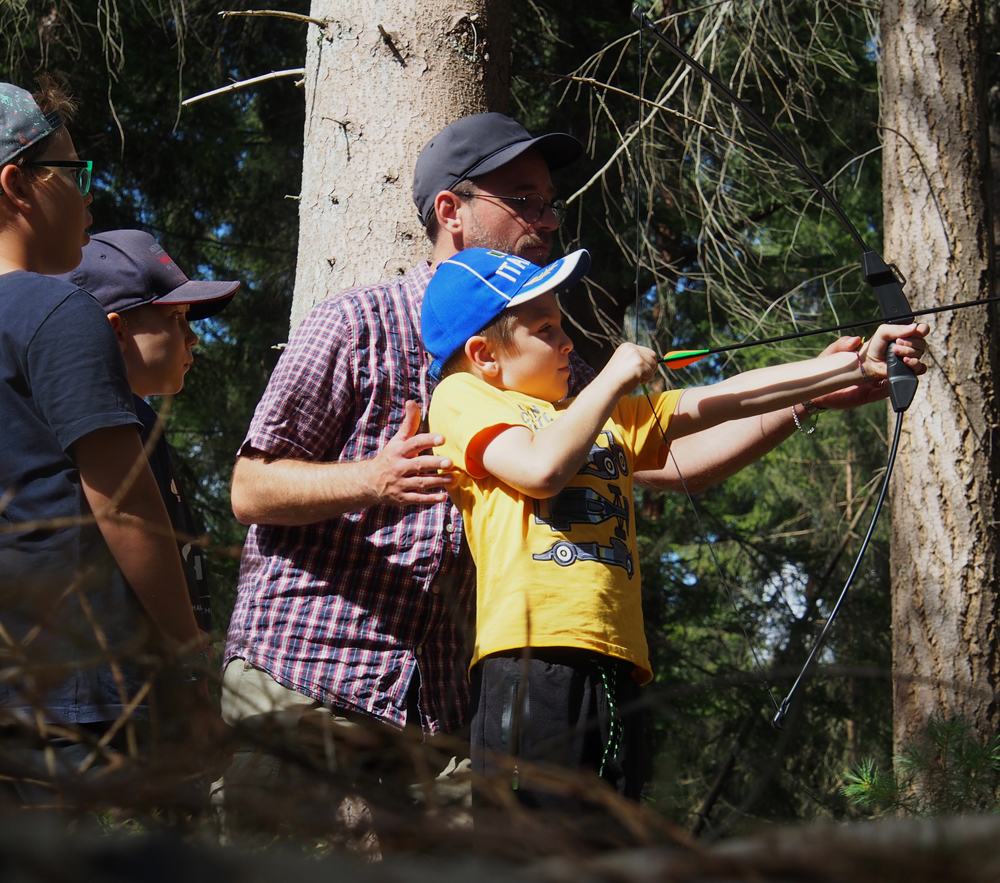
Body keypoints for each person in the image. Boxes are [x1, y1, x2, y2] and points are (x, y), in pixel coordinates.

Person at [223, 111, 905, 741]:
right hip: (307, 678)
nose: (546, 221)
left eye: (549, 204)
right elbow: (250, 488)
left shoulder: (558, 371)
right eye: (522, 201)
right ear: (450, 211)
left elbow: (670, 456)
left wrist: (811, 392)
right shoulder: (355, 323)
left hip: (446, 713)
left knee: (518, 866)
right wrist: (374, 479)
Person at [423, 247, 929, 803]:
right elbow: (540, 469)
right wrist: (611, 380)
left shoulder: (595, 415)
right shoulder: (462, 395)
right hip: (532, 659)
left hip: (617, 661)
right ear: (484, 355)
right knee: (533, 851)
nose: (567, 342)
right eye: (546, 329)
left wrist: (853, 366)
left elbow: (725, 399)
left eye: (563, 325)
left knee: (611, 850)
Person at [0, 82, 209, 800]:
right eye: (75, 172)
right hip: (76, 687)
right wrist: (187, 652)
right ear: (17, 184)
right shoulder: (57, 309)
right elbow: (122, 502)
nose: (92, 195)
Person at [59, 229, 241, 638]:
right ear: (116, 330)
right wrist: (187, 654)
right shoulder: (118, 424)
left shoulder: (137, 418)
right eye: (176, 318)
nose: (194, 337)